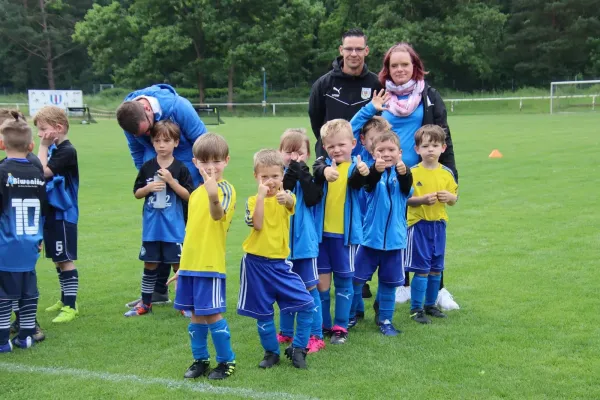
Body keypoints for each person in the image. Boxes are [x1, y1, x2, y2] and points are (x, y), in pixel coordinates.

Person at [356, 42, 459, 309]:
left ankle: (438, 290)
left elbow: (442, 135)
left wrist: (451, 176)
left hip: (419, 177)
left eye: (405, 64)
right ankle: (399, 283)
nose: (400, 69)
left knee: (428, 231)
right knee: (391, 230)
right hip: (383, 179)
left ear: (415, 67)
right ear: (387, 70)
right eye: (394, 65)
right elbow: (357, 131)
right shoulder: (380, 98)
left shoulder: (429, 96)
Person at [117, 84, 207, 309]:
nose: (149, 138)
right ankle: (157, 292)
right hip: (156, 184)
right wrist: (146, 173)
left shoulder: (179, 108)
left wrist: (206, 182)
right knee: (159, 234)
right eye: (144, 136)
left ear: (148, 110)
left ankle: (190, 295)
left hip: (187, 180)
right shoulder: (129, 116)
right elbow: (137, 151)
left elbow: (203, 141)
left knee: (180, 236)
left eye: (148, 131)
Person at [238, 149, 314, 369]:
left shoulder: (286, 198)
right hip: (255, 264)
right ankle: (271, 353)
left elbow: (291, 203)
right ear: (256, 177)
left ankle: (298, 349)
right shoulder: (253, 201)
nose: (270, 181)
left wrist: (287, 197)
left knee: (307, 305)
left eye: (274, 176)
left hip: (280, 265)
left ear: (282, 175)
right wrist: (262, 196)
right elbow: (258, 224)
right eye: (264, 177)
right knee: (263, 313)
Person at [169, 133, 237, 380]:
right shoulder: (195, 194)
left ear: (226, 161)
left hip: (210, 265)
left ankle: (226, 361)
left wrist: (212, 194)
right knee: (195, 315)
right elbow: (191, 233)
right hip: (190, 266)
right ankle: (200, 360)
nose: (211, 167)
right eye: (204, 162)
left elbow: (218, 216)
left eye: (217, 161)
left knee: (211, 313)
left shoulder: (225, 189)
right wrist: (181, 268)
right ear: (195, 162)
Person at [124, 121, 193, 317]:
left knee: (179, 266)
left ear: (176, 143)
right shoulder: (147, 167)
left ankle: (184, 304)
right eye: (157, 140)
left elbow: (189, 196)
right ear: (152, 143)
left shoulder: (181, 169)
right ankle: (145, 304)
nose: (161, 145)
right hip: (152, 228)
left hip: (174, 228)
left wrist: (172, 181)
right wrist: (148, 189)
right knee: (150, 263)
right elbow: (137, 193)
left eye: (167, 140)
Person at [312, 119, 369, 345]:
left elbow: (357, 181)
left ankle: (341, 326)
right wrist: (325, 171)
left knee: (344, 282)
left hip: (345, 238)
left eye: (341, 145)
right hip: (321, 237)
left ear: (353, 143)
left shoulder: (355, 167)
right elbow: (315, 170)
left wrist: (364, 171)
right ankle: (324, 325)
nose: (336, 150)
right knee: (322, 284)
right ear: (325, 147)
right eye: (331, 146)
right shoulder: (322, 165)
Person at [351, 131, 413, 335]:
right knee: (357, 280)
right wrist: (375, 172)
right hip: (369, 240)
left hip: (395, 242)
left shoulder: (403, 175)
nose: (386, 154)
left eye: (391, 150)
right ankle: (354, 313)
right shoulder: (370, 175)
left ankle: (385, 319)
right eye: (381, 150)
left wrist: (405, 173)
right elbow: (367, 185)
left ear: (400, 152)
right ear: (372, 152)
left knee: (388, 283)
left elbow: (407, 188)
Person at [0, 113, 46, 351]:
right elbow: (43, 210)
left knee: (3, 295)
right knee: (28, 293)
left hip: (5, 246)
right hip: (30, 245)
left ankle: (2, 342)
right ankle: (26, 336)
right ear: (30, 146)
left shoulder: (1, 172)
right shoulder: (38, 174)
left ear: (1, 144)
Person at [276, 129, 325, 353]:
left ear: (307, 154)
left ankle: (316, 335)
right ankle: (286, 332)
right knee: (285, 288)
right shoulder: (276, 177)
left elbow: (314, 197)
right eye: (289, 152)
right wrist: (291, 172)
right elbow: (282, 188)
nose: (294, 157)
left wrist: (300, 171)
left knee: (310, 287)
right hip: (282, 245)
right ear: (280, 153)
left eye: (300, 152)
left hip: (305, 243)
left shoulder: (310, 176)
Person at [405, 125, 458, 324]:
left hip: (439, 225)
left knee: (436, 267)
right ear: (417, 149)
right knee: (421, 268)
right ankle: (416, 308)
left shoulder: (446, 173)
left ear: (443, 148)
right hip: (419, 225)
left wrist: (450, 197)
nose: (430, 149)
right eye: (425, 145)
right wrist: (420, 200)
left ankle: (430, 305)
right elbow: (404, 199)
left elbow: (454, 199)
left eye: (435, 145)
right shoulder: (412, 173)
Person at [35, 106, 81, 323]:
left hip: (64, 213)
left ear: (58, 128)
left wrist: (42, 146)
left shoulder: (66, 150)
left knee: (65, 259)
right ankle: (64, 299)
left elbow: (41, 172)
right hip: (51, 213)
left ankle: (71, 306)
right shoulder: (55, 148)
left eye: (42, 129)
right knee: (57, 259)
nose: (39, 134)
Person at [308, 28, 382, 159]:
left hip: (364, 160)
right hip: (330, 158)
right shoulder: (323, 84)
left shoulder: (377, 84)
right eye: (349, 49)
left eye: (359, 49)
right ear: (341, 50)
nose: (354, 54)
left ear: (366, 51)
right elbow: (316, 122)